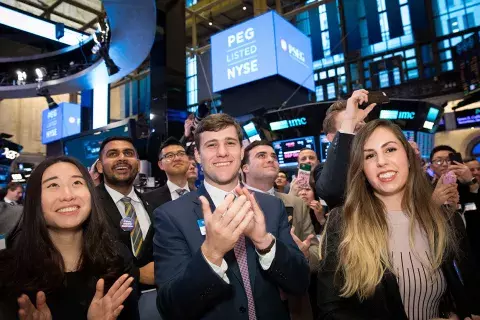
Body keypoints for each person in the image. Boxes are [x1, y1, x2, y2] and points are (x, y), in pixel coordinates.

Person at [317, 120, 480, 319]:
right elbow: (330, 311)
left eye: (390, 149)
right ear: (362, 169)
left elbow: (465, 288)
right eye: (369, 155)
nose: (381, 161)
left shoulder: (443, 219)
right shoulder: (344, 222)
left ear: (409, 157)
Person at [153, 113, 310, 319]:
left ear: (241, 150)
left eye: (230, 143)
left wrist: (264, 242)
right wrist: (212, 254)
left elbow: (300, 283)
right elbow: (170, 306)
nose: (222, 152)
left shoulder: (271, 206)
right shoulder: (171, 216)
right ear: (198, 156)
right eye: (211, 145)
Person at [0, 156, 138, 320]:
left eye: (77, 183)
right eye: (53, 185)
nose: (67, 195)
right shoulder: (7, 272)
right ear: (34, 199)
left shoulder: (119, 259)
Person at [241, 140, 319, 320]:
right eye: (262, 156)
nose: (271, 160)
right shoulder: (233, 202)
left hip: (294, 307)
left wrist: (305, 256)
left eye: (274, 156)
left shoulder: (296, 203)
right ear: (245, 167)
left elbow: (316, 253)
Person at [94, 137, 159, 320]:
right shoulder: (88, 206)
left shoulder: (153, 205)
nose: (122, 158)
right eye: (113, 154)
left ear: (137, 164)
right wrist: (136, 274)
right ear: (100, 166)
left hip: (155, 307)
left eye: (128, 153)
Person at [315, 90, 376, 209]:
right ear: (332, 138)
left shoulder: (380, 162)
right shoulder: (323, 170)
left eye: (362, 126)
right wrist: (349, 122)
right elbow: (332, 191)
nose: (361, 134)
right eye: (354, 127)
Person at [144, 137, 190, 210]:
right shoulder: (148, 199)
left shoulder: (203, 194)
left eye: (181, 154)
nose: (177, 158)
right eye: (170, 155)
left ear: (188, 159)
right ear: (161, 165)